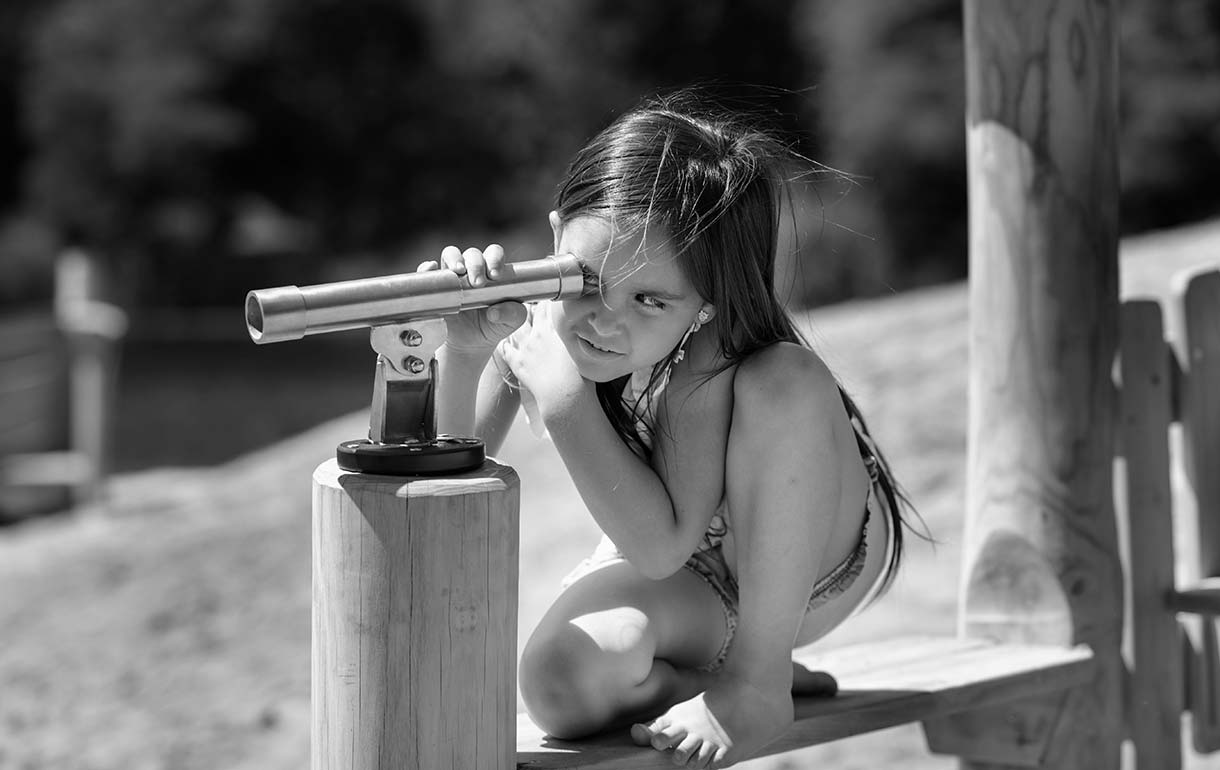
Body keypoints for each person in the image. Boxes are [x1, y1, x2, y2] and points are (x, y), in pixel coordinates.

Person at [423, 90, 917, 769]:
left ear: (707, 301)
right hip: (694, 583)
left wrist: (566, 401)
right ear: (558, 232)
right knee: (556, 686)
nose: (604, 320)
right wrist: (466, 348)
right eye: (586, 280)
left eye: (649, 300)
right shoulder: (541, 325)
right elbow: (449, 468)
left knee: (787, 379)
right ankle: (714, 676)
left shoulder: (711, 360)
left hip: (804, 569)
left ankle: (758, 680)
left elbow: (660, 547)